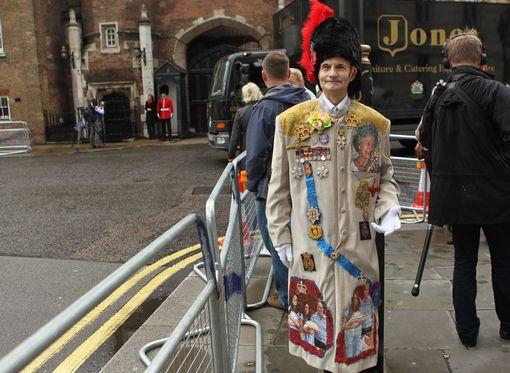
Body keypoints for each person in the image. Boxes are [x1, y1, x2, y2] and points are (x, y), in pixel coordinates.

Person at [266, 1, 400, 371]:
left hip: (358, 249)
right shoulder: (290, 123)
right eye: (325, 66)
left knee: (358, 340)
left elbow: (385, 174)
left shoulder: (374, 123)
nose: (332, 73)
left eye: (340, 66)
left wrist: (388, 205)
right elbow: (278, 189)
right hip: (312, 249)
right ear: (316, 70)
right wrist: (280, 236)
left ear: (352, 71)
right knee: (320, 338)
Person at [419, 29, 510, 348]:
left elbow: (425, 141)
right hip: (498, 194)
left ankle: (467, 333)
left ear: (448, 61)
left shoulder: (437, 95)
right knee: (504, 260)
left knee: (464, 262)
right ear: (481, 59)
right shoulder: (496, 91)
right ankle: (508, 325)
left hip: (455, 197)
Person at [246, 51, 310, 310]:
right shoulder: (307, 102)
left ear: (264, 76)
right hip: (307, 185)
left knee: (278, 246)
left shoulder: (264, 107)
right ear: (288, 73)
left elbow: (256, 154)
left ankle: (287, 298)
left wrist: (254, 184)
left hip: (272, 189)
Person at [227, 82, 263, 161]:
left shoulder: (241, 112)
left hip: (247, 151)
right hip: (264, 150)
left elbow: (235, 137)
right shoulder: (265, 108)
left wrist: (231, 155)